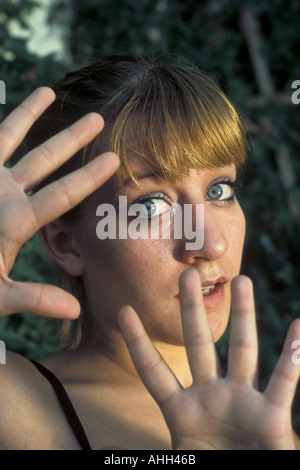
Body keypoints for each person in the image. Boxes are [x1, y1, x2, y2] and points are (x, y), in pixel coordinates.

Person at [0, 55, 299, 450]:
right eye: (150, 206)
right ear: (64, 243)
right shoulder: (16, 408)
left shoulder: (262, 430)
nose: (212, 245)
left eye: (219, 190)